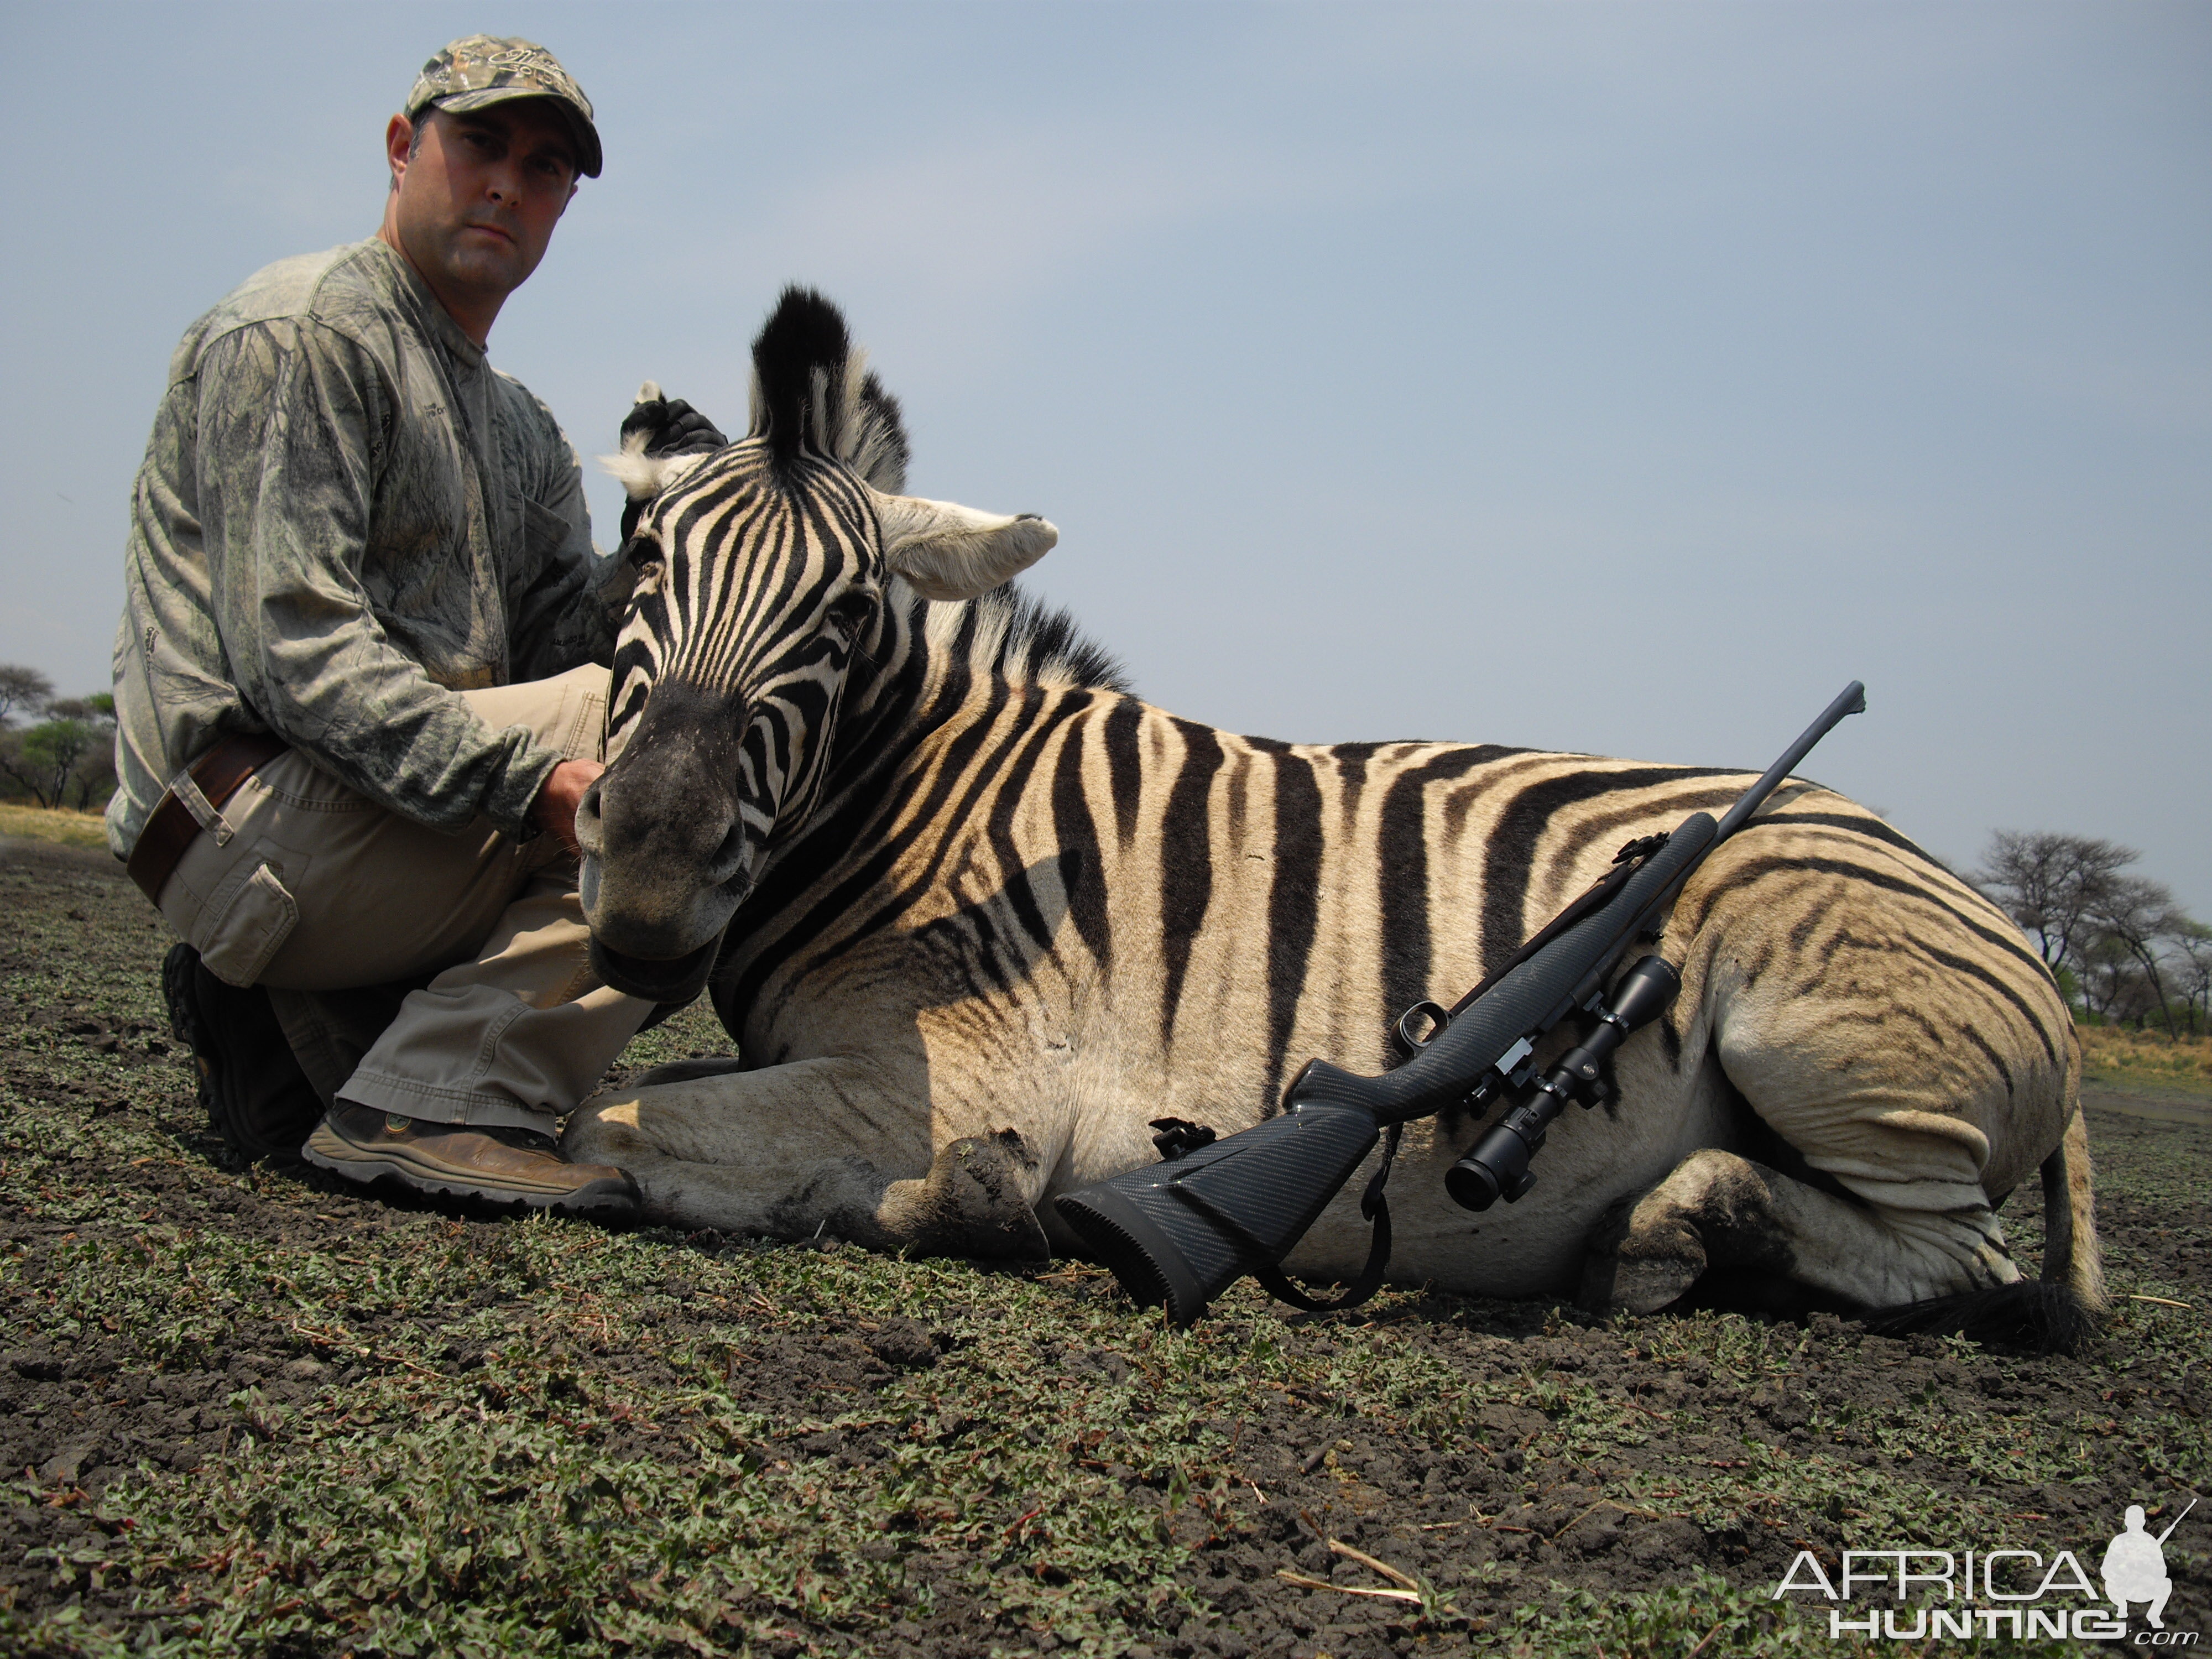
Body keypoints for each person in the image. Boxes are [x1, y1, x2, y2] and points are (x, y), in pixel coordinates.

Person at [107, 36, 722, 1219]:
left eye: (545, 169)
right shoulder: (301, 332)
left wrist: (659, 533)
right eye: (480, 143)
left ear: (562, 207)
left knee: (651, 701)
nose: (507, 184)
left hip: (352, 839)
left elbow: (556, 648)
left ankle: (310, 1046)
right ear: (404, 149)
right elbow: (303, 662)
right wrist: (540, 788)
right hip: (243, 828)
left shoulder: (524, 428)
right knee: (683, 732)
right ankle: (432, 1099)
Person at [2101, 1505, 2175, 1629]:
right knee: (2110, 1583)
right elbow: (2106, 1569)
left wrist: (2147, 1565)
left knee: (2166, 1584)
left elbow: (2162, 1571)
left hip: (2143, 1587)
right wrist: (2122, 1569)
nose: (2134, 1523)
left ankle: (2154, 1615)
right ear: (2126, 1522)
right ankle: (2121, 1607)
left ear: (2143, 1522)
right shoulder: (2119, 1541)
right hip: (2122, 1587)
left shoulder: (2150, 1542)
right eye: (2131, 1519)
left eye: (2137, 1519)